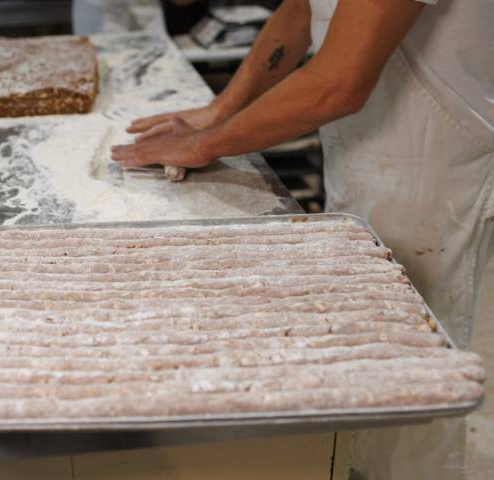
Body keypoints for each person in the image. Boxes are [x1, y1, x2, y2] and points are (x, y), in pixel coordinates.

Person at [112, 0, 494, 478]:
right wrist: (220, 110)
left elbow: (338, 84)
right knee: (360, 343)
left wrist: (201, 144)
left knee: (413, 365)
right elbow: (299, 10)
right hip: (368, 143)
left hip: (431, 164)